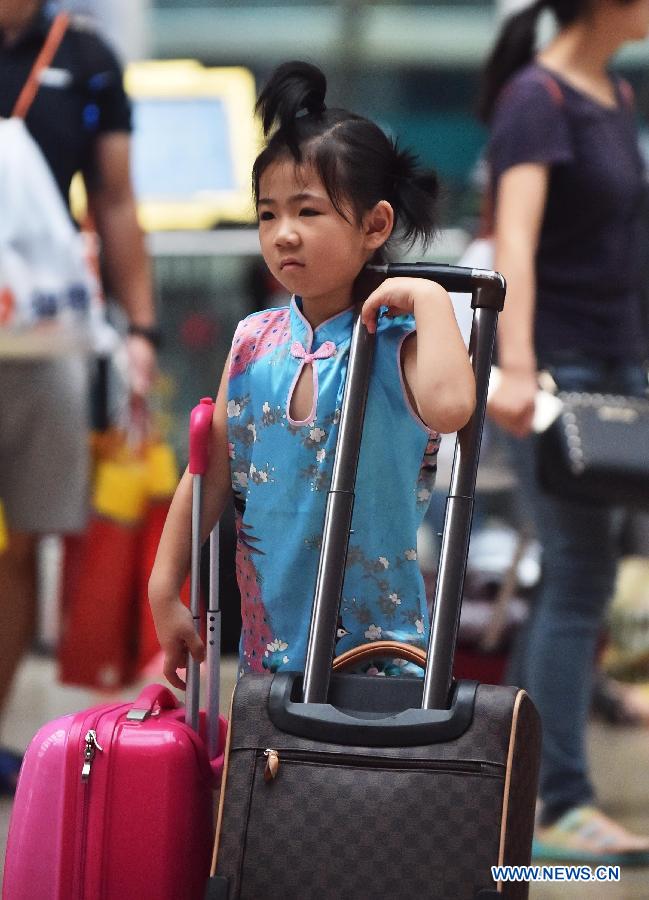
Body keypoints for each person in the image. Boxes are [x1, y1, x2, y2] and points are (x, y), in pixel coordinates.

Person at [149, 60, 475, 687]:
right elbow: (209, 469)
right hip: (269, 651)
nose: (283, 235)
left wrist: (432, 299)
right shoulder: (253, 341)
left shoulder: (398, 341)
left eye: (309, 212)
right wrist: (165, 586)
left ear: (375, 225)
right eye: (268, 215)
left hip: (384, 654)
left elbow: (453, 407)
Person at [479, 0, 649, 863]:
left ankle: (515, 781)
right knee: (577, 572)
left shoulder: (612, 96)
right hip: (557, 371)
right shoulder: (536, 98)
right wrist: (514, 366)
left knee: (578, 578)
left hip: (619, 367)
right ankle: (555, 802)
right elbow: (514, 237)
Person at [0, 0, 157, 793]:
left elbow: (116, 199)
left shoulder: (86, 57)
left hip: (39, 337)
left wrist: (142, 329)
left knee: (24, 541)